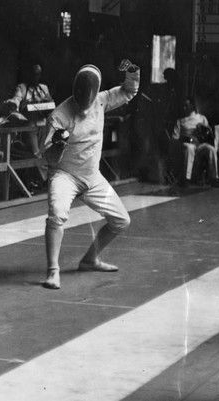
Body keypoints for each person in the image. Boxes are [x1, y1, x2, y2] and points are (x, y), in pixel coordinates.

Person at [39, 60, 140, 290]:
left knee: (121, 220)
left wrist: (132, 70)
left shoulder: (102, 100)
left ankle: (90, 259)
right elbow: (48, 157)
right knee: (57, 216)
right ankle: (52, 271)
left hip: (92, 178)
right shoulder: (58, 116)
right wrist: (58, 145)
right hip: (65, 175)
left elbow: (128, 91)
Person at [171, 97, 219, 187]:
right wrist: (187, 139)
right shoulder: (180, 121)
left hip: (199, 145)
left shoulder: (202, 118)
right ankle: (186, 178)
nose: (184, 108)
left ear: (192, 106)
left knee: (210, 149)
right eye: (183, 106)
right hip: (187, 143)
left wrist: (205, 129)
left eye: (186, 106)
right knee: (189, 148)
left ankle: (214, 178)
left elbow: (209, 134)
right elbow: (174, 138)